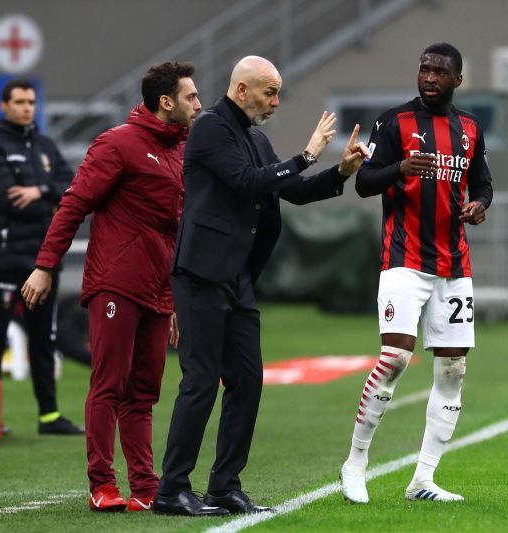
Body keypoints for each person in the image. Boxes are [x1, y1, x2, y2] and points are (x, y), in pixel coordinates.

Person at [153, 55, 370, 517]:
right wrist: (308, 153)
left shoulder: (255, 137)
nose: (275, 101)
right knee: (200, 382)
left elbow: (289, 190)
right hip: (202, 274)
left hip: (237, 278)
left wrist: (341, 173)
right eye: (269, 92)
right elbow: (246, 183)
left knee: (248, 381)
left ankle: (223, 486)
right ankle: (172, 489)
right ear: (241, 90)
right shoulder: (210, 127)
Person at [20, 62, 201, 513]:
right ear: (166, 102)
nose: (199, 104)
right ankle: (101, 483)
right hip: (116, 285)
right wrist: (45, 266)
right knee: (109, 385)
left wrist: (175, 298)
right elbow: (74, 204)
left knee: (144, 393)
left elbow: (175, 232)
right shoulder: (117, 143)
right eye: (191, 96)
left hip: (159, 290)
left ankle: (145, 486)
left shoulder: (180, 151)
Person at [339, 42, 493, 504]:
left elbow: (482, 182)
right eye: (423, 68)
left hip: (454, 262)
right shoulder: (394, 122)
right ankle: (355, 464)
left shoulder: (469, 127)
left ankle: (422, 479)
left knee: (453, 368)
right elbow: (364, 184)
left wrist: (480, 205)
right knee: (395, 359)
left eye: (438, 72)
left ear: (456, 81)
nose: (428, 77)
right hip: (404, 258)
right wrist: (400, 167)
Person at [0, 78, 82, 436]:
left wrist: (40, 190)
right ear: (4, 106)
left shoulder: (45, 145)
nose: (26, 108)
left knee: (43, 338)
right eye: (19, 101)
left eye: (31, 101)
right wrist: (50, 202)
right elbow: (5, 198)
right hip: (6, 258)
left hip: (43, 260)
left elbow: (73, 189)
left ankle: (49, 416)